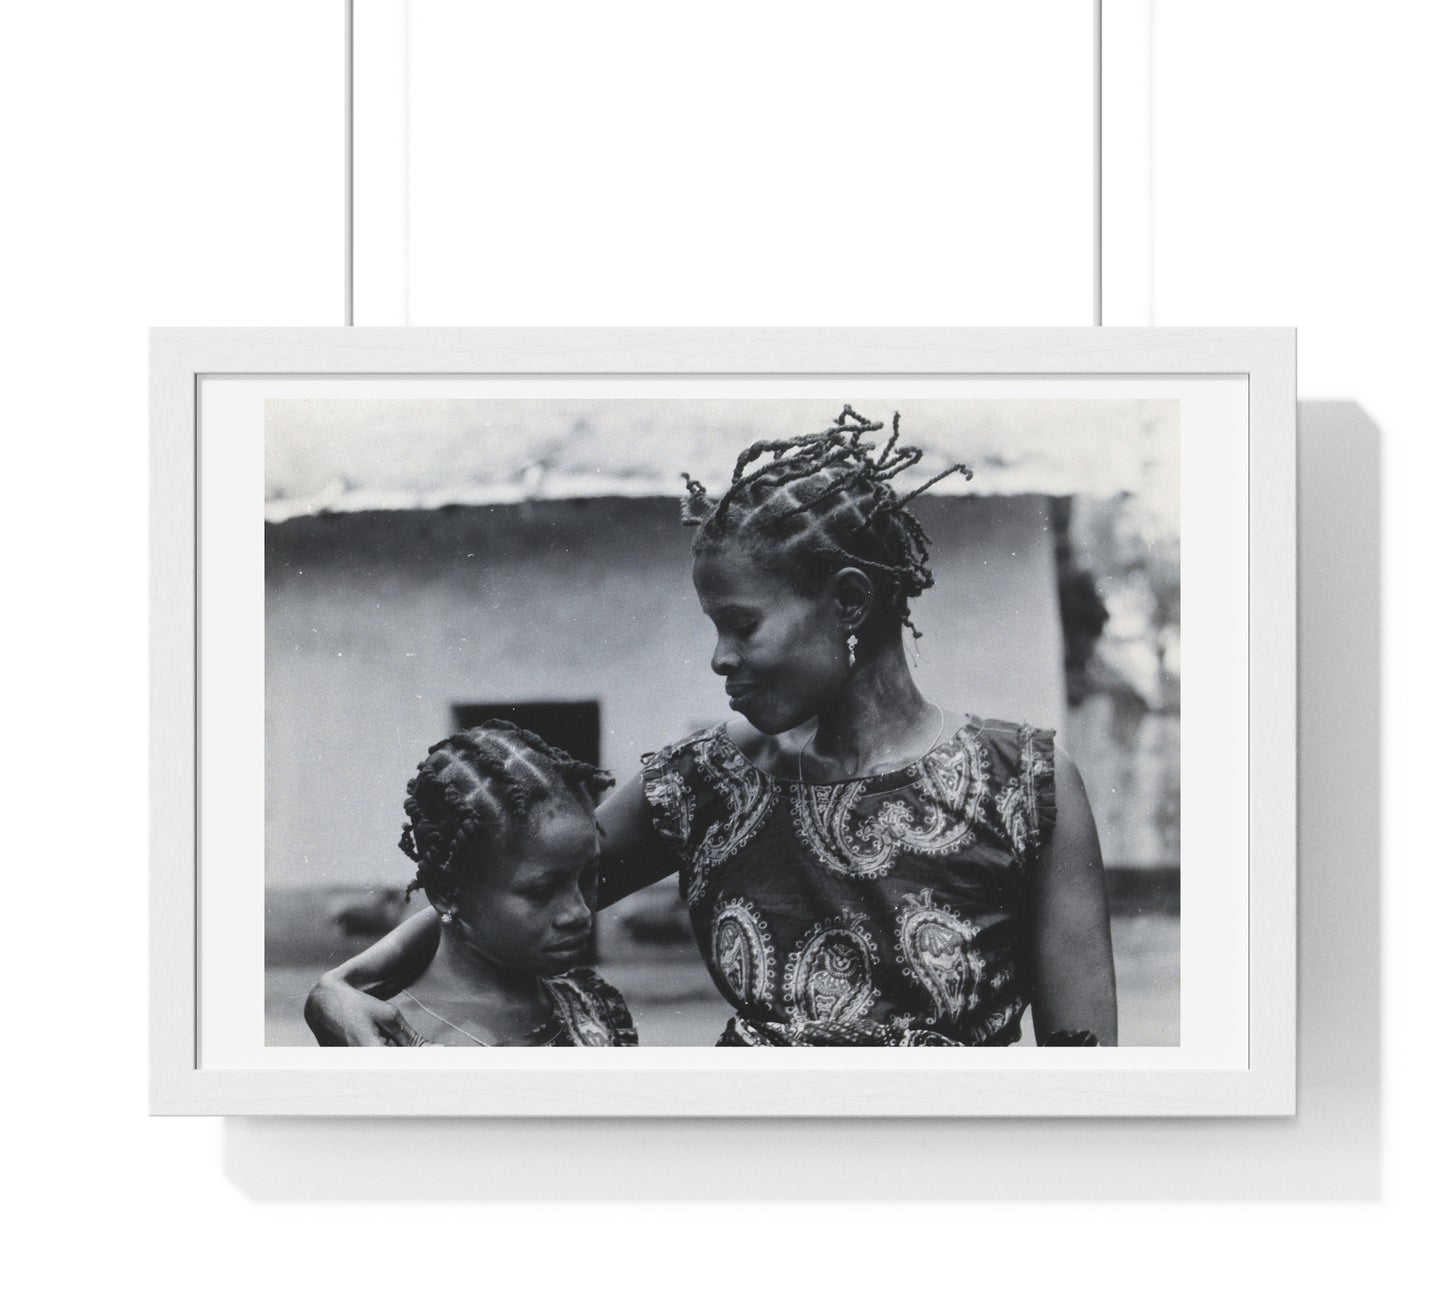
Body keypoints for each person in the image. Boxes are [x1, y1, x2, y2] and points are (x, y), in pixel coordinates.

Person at [307, 407, 1117, 1047]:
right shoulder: (705, 784)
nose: (719, 659)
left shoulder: (1026, 789)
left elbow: (1082, 1067)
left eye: (740, 624)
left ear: (847, 603)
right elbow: (499, 881)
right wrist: (341, 987)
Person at [304, 720, 636, 1046]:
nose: (578, 912)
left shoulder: (595, 1007)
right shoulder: (382, 1035)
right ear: (446, 893)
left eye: (589, 877)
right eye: (541, 891)